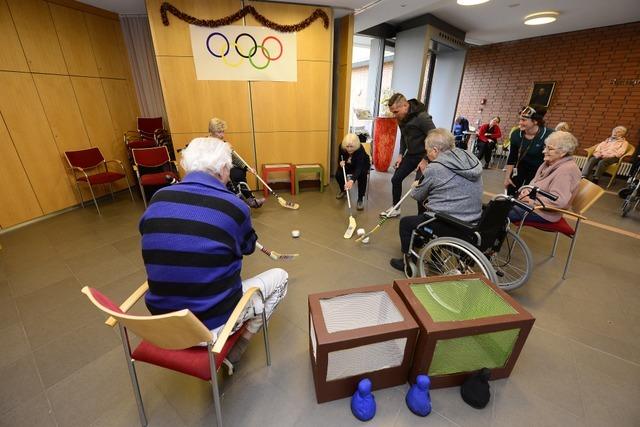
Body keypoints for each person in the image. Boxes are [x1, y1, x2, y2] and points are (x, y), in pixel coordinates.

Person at [139, 137, 288, 363]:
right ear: (222, 169)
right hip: (209, 324)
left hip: (162, 322)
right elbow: (247, 247)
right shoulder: (234, 206)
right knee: (281, 278)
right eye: (228, 169)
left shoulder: (158, 198)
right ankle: (239, 343)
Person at [390, 129, 483, 273]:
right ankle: (434, 257)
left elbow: (417, 195)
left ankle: (407, 262)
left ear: (435, 150)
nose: (427, 154)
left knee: (406, 223)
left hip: (451, 223)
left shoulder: (436, 168)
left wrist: (416, 184)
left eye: (427, 151)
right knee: (427, 213)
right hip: (474, 220)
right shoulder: (469, 158)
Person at [380, 93, 436, 218]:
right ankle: (396, 208)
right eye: (393, 112)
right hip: (411, 155)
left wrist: (426, 159)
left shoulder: (422, 117)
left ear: (405, 105)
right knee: (396, 179)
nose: (395, 115)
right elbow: (404, 137)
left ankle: (421, 218)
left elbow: (435, 138)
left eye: (396, 111)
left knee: (420, 189)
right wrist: (400, 154)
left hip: (425, 156)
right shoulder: (401, 118)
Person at [508, 131, 582, 224]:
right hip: (534, 205)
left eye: (550, 149)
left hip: (543, 212)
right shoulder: (549, 163)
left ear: (563, 152)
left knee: (499, 212)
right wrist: (526, 191)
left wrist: (531, 200)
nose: (544, 151)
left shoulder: (566, 171)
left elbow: (559, 201)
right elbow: (534, 183)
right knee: (498, 204)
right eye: (545, 147)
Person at [209, 117, 265, 208]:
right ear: (211, 132)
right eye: (219, 132)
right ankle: (237, 202)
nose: (222, 135)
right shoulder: (206, 144)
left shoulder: (223, 143)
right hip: (213, 170)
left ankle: (250, 199)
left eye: (223, 131)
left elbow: (235, 159)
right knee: (230, 176)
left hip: (225, 168)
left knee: (239, 172)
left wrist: (248, 168)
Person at [504, 105, 554, 195]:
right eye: (519, 119)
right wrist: (507, 177)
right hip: (519, 168)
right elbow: (512, 157)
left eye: (523, 120)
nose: (520, 123)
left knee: (528, 196)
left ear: (535, 121)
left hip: (538, 171)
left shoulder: (549, 135)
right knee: (510, 193)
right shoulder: (516, 134)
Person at [336, 133, 371, 210]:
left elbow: (359, 167)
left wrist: (352, 180)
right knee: (338, 174)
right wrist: (340, 163)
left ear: (355, 146)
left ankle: (360, 198)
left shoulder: (360, 149)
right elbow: (339, 158)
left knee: (362, 175)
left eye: (351, 147)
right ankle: (343, 190)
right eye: (347, 146)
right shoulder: (341, 147)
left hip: (361, 165)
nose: (349, 149)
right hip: (348, 164)